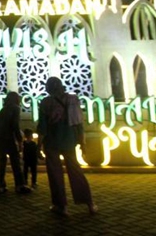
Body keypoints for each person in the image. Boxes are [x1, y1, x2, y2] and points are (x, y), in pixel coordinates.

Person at [37, 77, 97, 216]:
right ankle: (89, 203)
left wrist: (39, 145)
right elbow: (78, 124)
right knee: (75, 171)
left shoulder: (46, 102)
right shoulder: (72, 100)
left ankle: (61, 206)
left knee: (55, 174)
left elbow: (42, 127)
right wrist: (82, 143)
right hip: (69, 141)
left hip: (51, 142)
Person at [0, 91, 31, 194]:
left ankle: (1, 186)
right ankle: (20, 185)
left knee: (2, 161)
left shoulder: (4, 108)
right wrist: (20, 140)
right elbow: (15, 125)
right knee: (15, 161)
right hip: (6, 137)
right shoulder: (15, 108)